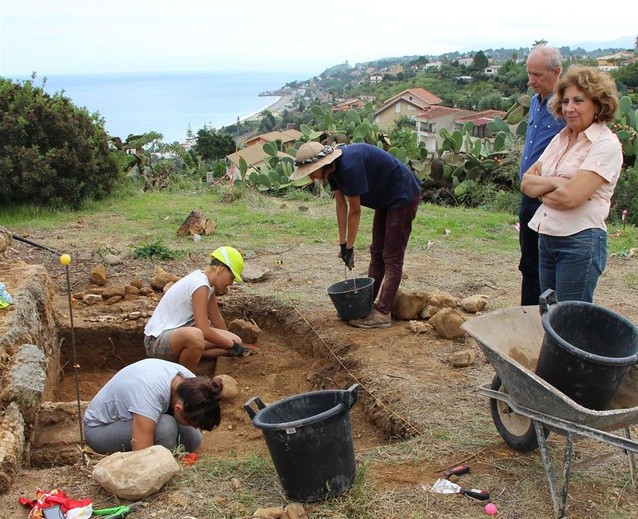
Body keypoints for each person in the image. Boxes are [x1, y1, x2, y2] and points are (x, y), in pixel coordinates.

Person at [290, 141, 421, 329]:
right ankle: (366, 305)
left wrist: (351, 247)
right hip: (386, 200)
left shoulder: (349, 166)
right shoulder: (332, 171)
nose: (310, 177)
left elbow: (355, 211)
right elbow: (341, 205)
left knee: (392, 257)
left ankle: (383, 312)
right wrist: (343, 244)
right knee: (376, 253)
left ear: (320, 165)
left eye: (310, 171)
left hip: (403, 194)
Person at [521, 65, 622, 303]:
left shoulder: (605, 145)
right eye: (565, 101)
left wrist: (544, 188)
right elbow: (526, 182)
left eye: (578, 100)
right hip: (547, 236)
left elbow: (570, 198)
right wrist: (558, 182)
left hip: (579, 242)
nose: (569, 108)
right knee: (549, 312)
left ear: (597, 104)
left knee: (571, 320)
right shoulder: (562, 137)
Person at [144, 246, 254, 372]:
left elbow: (216, 319)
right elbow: (203, 329)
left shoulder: (208, 286)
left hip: (179, 336)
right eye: (232, 277)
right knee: (197, 336)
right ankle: (185, 377)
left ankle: (191, 354)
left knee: (235, 340)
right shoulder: (199, 285)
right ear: (222, 270)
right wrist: (232, 345)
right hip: (156, 341)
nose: (232, 283)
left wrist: (233, 344)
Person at [83, 358, 222, 454]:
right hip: (100, 428)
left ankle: (169, 451)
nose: (193, 426)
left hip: (137, 415)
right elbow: (142, 453)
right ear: (178, 409)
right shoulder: (148, 395)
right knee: (165, 427)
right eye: (192, 422)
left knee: (193, 439)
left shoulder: (190, 382)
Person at [518, 46, 565, 305]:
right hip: (528, 196)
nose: (530, 80)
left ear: (556, 72)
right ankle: (526, 315)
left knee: (545, 265)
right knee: (528, 262)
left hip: (549, 197)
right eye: (529, 74)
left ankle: (545, 322)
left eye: (537, 75)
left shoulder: (565, 107)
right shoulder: (536, 103)